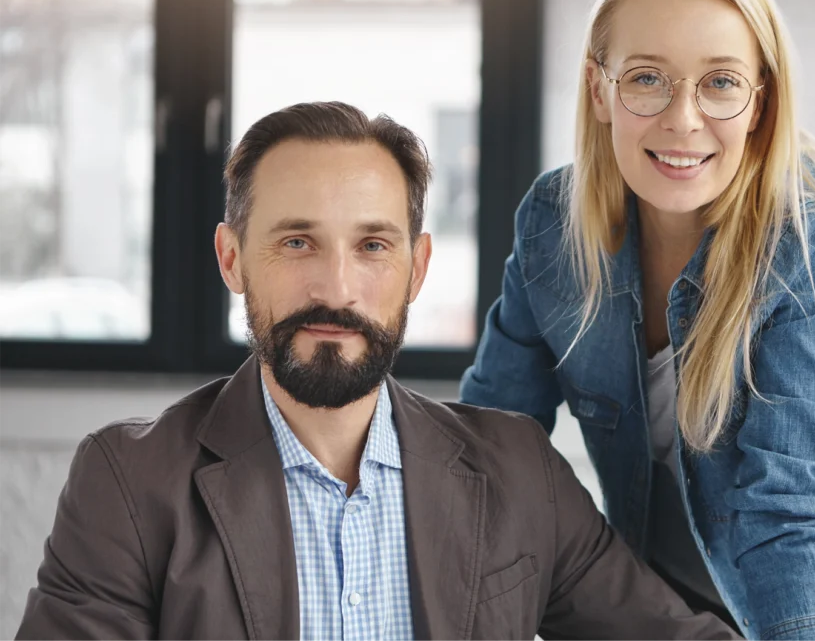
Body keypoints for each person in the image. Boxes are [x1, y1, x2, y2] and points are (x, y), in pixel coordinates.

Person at [15, 101, 741, 641]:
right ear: (232, 257)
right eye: (297, 242)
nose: (336, 287)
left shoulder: (519, 470)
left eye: (372, 246)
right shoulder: (129, 483)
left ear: (417, 267)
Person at [460, 0, 815, 640]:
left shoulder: (809, 242)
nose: (682, 119)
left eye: (720, 82)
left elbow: (785, 509)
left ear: (761, 102)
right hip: (675, 602)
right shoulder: (552, 226)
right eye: (647, 79)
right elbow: (490, 440)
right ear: (599, 91)